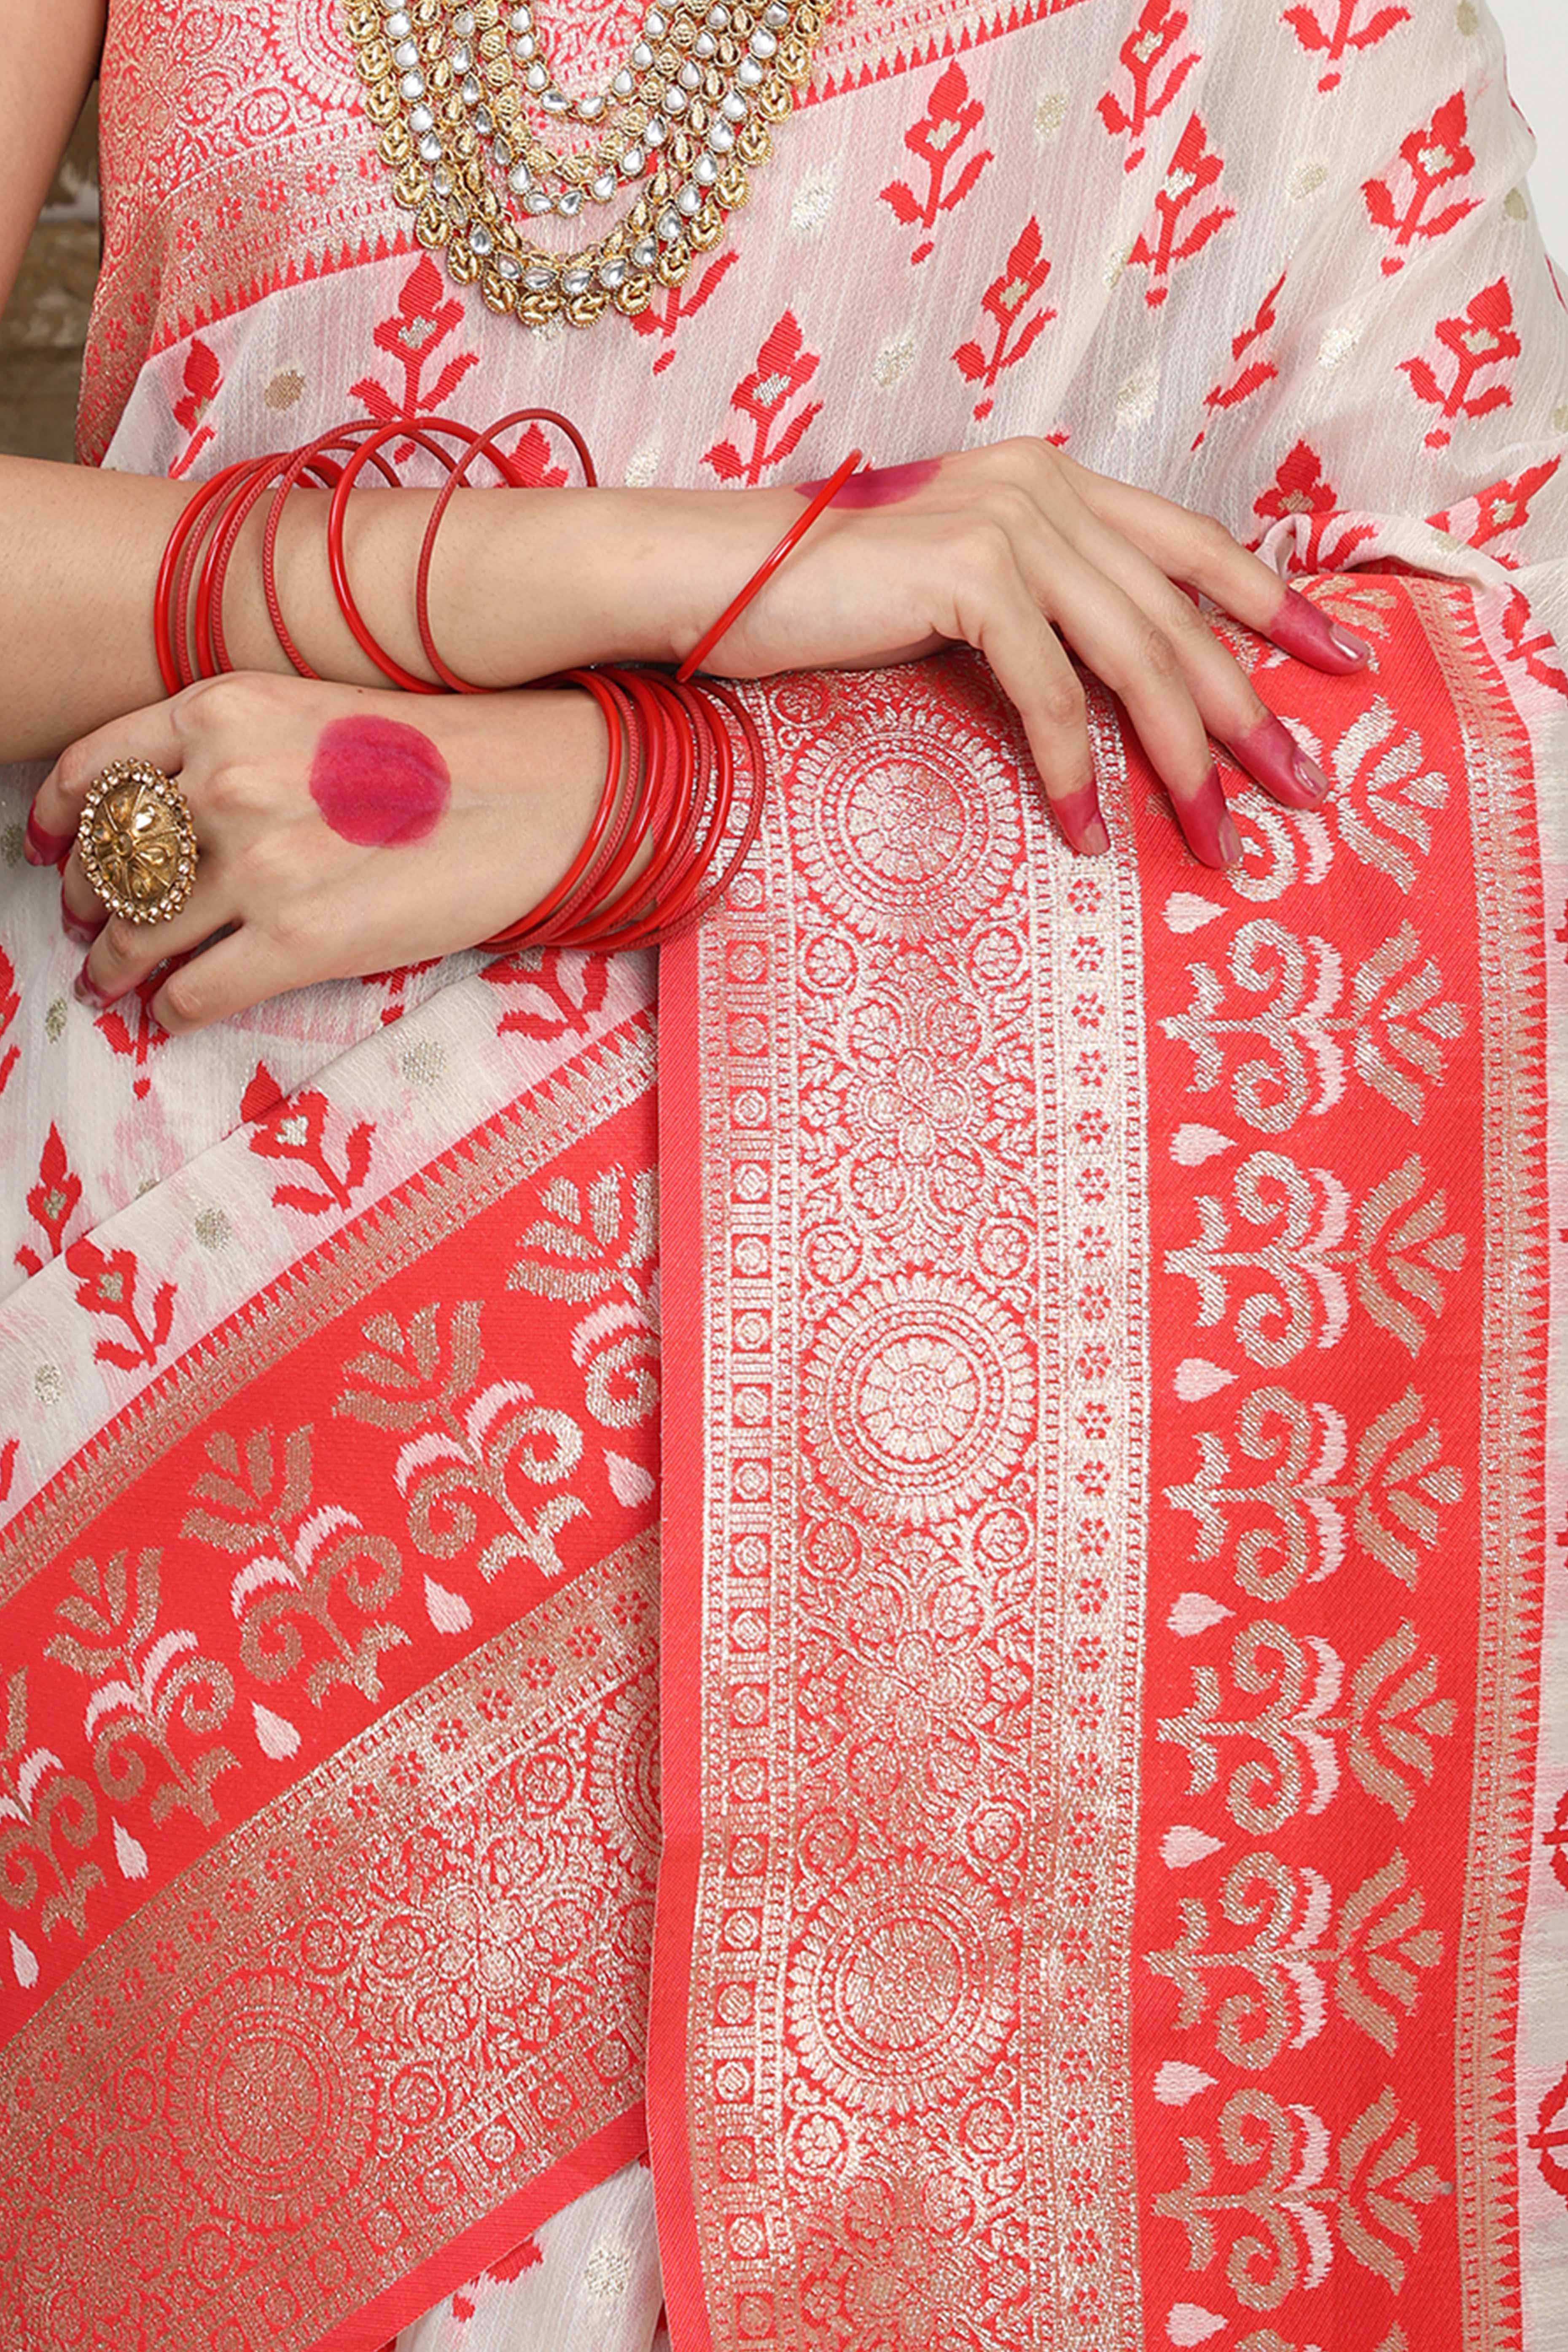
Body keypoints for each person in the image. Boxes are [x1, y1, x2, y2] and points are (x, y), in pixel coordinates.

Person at [0, 0, 1563, 2345]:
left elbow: (1485, 683)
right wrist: (709, 568)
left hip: (1021, 1533)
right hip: (210, 1439)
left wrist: (630, 797)